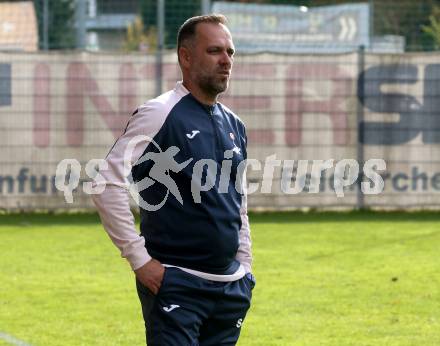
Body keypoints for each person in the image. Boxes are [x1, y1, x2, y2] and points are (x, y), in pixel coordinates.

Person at [92, 14, 255, 345]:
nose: (226, 61)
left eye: (231, 52)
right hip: (175, 283)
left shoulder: (235, 124)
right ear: (185, 56)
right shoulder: (159, 113)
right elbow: (106, 183)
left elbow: (238, 201)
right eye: (214, 51)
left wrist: (245, 266)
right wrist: (140, 261)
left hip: (230, 288)